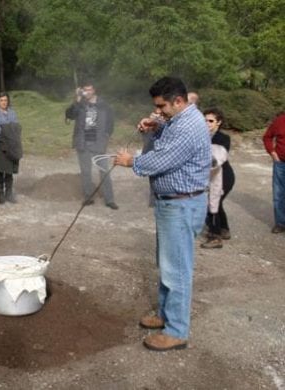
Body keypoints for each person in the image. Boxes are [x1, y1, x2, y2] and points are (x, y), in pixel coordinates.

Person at [114, 77, 211, 351]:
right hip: (172, 204)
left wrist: (130, 160)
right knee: (167, 263)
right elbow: (163, 142)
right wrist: (154, 128)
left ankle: (177, 331)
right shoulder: (178, 121)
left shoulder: (189, 127)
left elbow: (162, 159)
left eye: (162, 107)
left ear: (178, 101)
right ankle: (165, 315)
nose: (159, 111)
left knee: (177, 270)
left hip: (181, 205)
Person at [65, 81, 118, 209]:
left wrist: (106, 136)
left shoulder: (103, 105)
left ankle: (109, 200)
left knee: (104, 171)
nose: (87, 92)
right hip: (83, 143)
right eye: (85, 90)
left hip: (99, 143)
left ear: (94, 90)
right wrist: (77, 99)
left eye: (89, 89)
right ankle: (88, 197)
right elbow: (69, 115)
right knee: (86, 172)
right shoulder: (80, 104)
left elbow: (110, 123)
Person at [201, 108, 235, 248]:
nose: (207, 123)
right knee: (216, 203)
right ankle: (224, 229)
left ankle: (215, 237)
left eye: (210, 120)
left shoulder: (223, 138)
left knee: (212, 203)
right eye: (204, 120)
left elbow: (218, 158)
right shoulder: (200, 136)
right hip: (209, 176)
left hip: (223, 176)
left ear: (218, 122)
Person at [0, 91, 22, 204]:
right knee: (0, 170)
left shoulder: (12, 113)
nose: (4, 102)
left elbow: (17, 127)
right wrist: (9, 131)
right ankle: (1, 194)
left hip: (11, 145)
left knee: (9, 171)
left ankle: (9, 194)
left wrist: (6, 129)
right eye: (2, 100)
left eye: (6, 100)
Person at [262, 112, 285, 233]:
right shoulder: (280, 120)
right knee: (279, 194)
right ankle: (281, 223)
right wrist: (272, 152)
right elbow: (267, 137)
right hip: (281, 163)